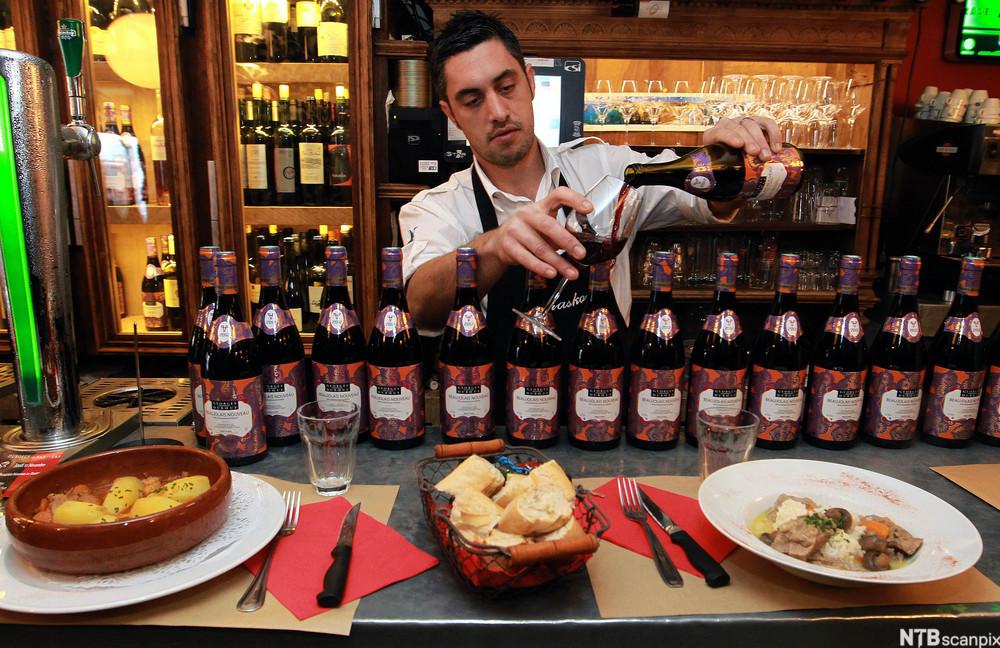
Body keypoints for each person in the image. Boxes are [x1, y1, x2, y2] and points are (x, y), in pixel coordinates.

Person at [401, 10, 783, 353]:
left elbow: (707, 200)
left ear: (531, 83)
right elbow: (422, 308)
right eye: (473, 100)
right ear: (451, 113)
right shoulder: (437, 207)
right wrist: (496, 246)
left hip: (604, 396)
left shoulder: (610, 167)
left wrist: (732, 154)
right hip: (499, 419)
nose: (498, 111)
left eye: (506, 87)